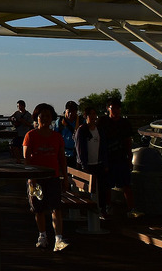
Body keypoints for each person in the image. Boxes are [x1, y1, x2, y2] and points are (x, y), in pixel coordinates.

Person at [23, 103, 69, 252]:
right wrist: (31, 178)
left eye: (48, 116)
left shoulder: (57, 137)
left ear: (52, 118)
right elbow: (26, 158)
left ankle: (59, 239)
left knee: (56, 208)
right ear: (37, 118)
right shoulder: (30, 135)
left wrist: (65, 178)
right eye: (42, 116)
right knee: (39, 209)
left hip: (53, 177)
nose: (45, 119)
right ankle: (42, 236)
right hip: (36, 178)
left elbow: (62, 158)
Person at [98, 97, 140, 218]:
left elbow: (128, 141)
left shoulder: (125, 123)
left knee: (126, 184)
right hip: (107, 158)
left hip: (121, 157)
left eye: (117, 108)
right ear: (108, 109)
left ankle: (131, 209)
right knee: (107, 185)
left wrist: (129, 157)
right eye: (113, 108)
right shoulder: (102, 122)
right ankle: (107, 207)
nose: (115, 111)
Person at [74, 106, 109, 218]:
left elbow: (103, 147)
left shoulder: (99, 129)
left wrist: (105, 163)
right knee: (89, 190)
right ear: (86, 116)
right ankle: (89, 212)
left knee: (102, 188)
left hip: (99, 163)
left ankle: (102, 210)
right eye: (91, 114)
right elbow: (80, 149)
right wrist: (84, 165)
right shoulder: (82, 130)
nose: (93, 117)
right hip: (87, 165)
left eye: (95, 114)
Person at [55, 100, 81, 165]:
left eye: (73, 111)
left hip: (77, 154)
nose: (70, 114)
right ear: (65, 111)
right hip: (63, 154)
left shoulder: (80, 122)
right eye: (69, 111)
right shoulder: (60, 122)